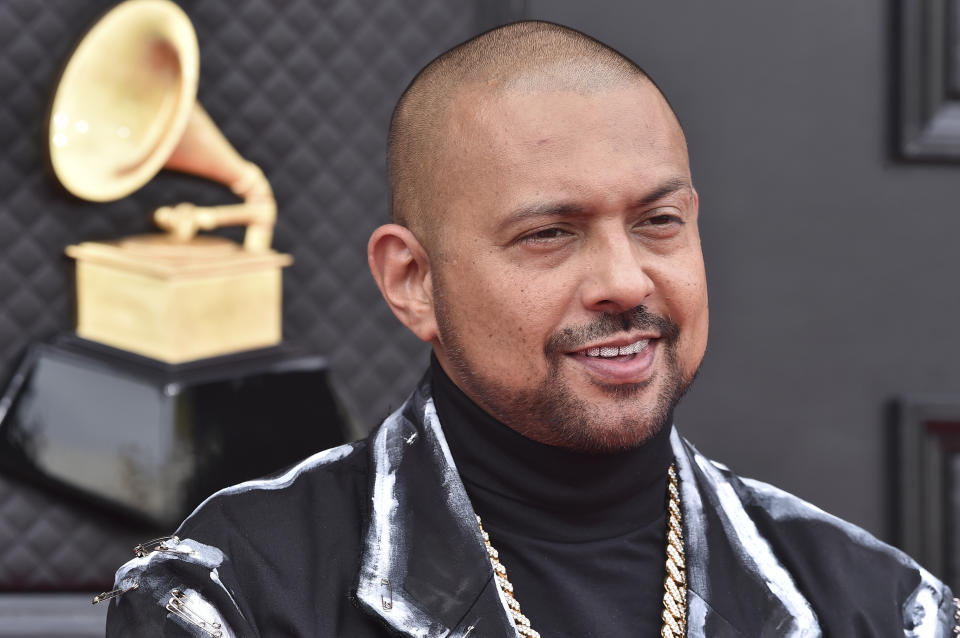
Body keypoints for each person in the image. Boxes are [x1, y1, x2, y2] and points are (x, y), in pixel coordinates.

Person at [103, 21, 957, 637]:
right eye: (550, 234)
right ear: (414, 280)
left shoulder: (882, 606)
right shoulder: (234, 596)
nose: (625, 281)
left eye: (658, 221)